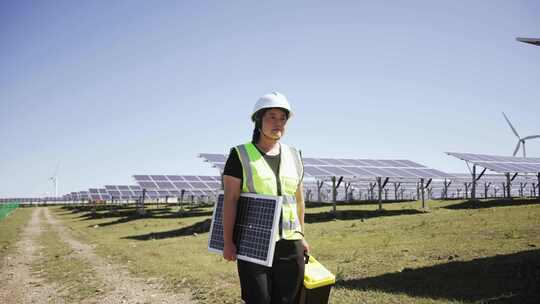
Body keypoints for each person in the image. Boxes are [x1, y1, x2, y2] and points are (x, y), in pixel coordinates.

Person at [222, 92, 309, 304]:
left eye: (283, 118)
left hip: (291, 243)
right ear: (258, 120)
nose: (278, 123)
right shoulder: (240, 155)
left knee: (288, 300)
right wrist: (228, 242)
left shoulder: (294, 155)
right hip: (254, 243)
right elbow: (231, 200)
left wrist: (302, 235)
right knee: (258, 299)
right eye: (272, 117)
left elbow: (298, 200)